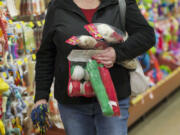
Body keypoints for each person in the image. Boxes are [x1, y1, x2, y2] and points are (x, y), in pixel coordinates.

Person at [34, 0, 155, 135]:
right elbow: (46, 54)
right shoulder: (58, 6)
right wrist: (41, 97)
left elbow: (146, 35)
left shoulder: (120, 2)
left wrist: (117, 53)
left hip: (113, 97)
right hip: (72, 103)